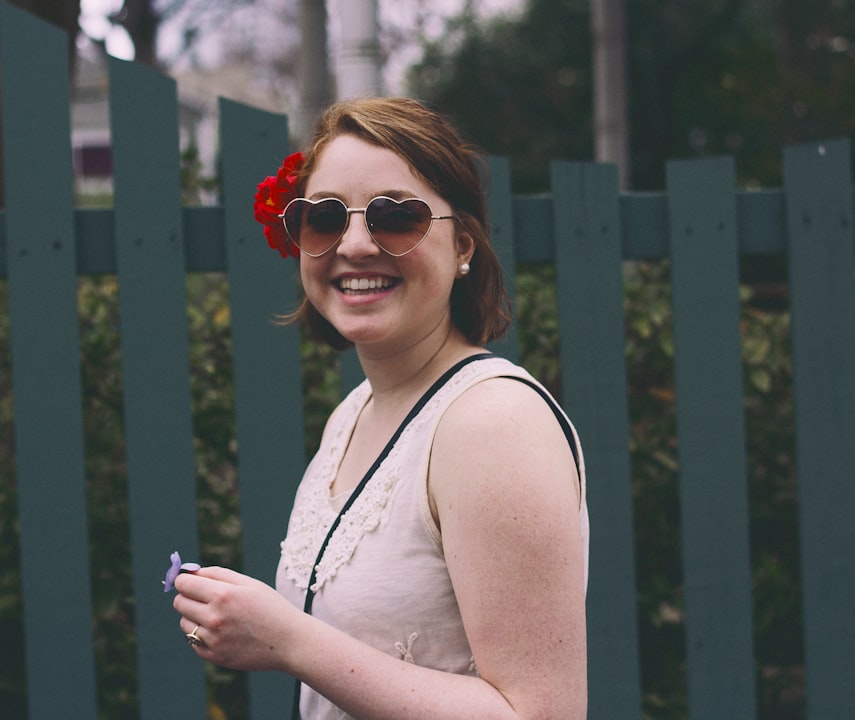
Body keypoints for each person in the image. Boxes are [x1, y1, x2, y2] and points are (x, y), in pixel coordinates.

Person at [173, 96, 589, 719]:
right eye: (325, 218)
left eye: (396, 216)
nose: (356, 244)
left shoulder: (492, 424)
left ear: (465, 247)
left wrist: (286, 639)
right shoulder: (357, 411)